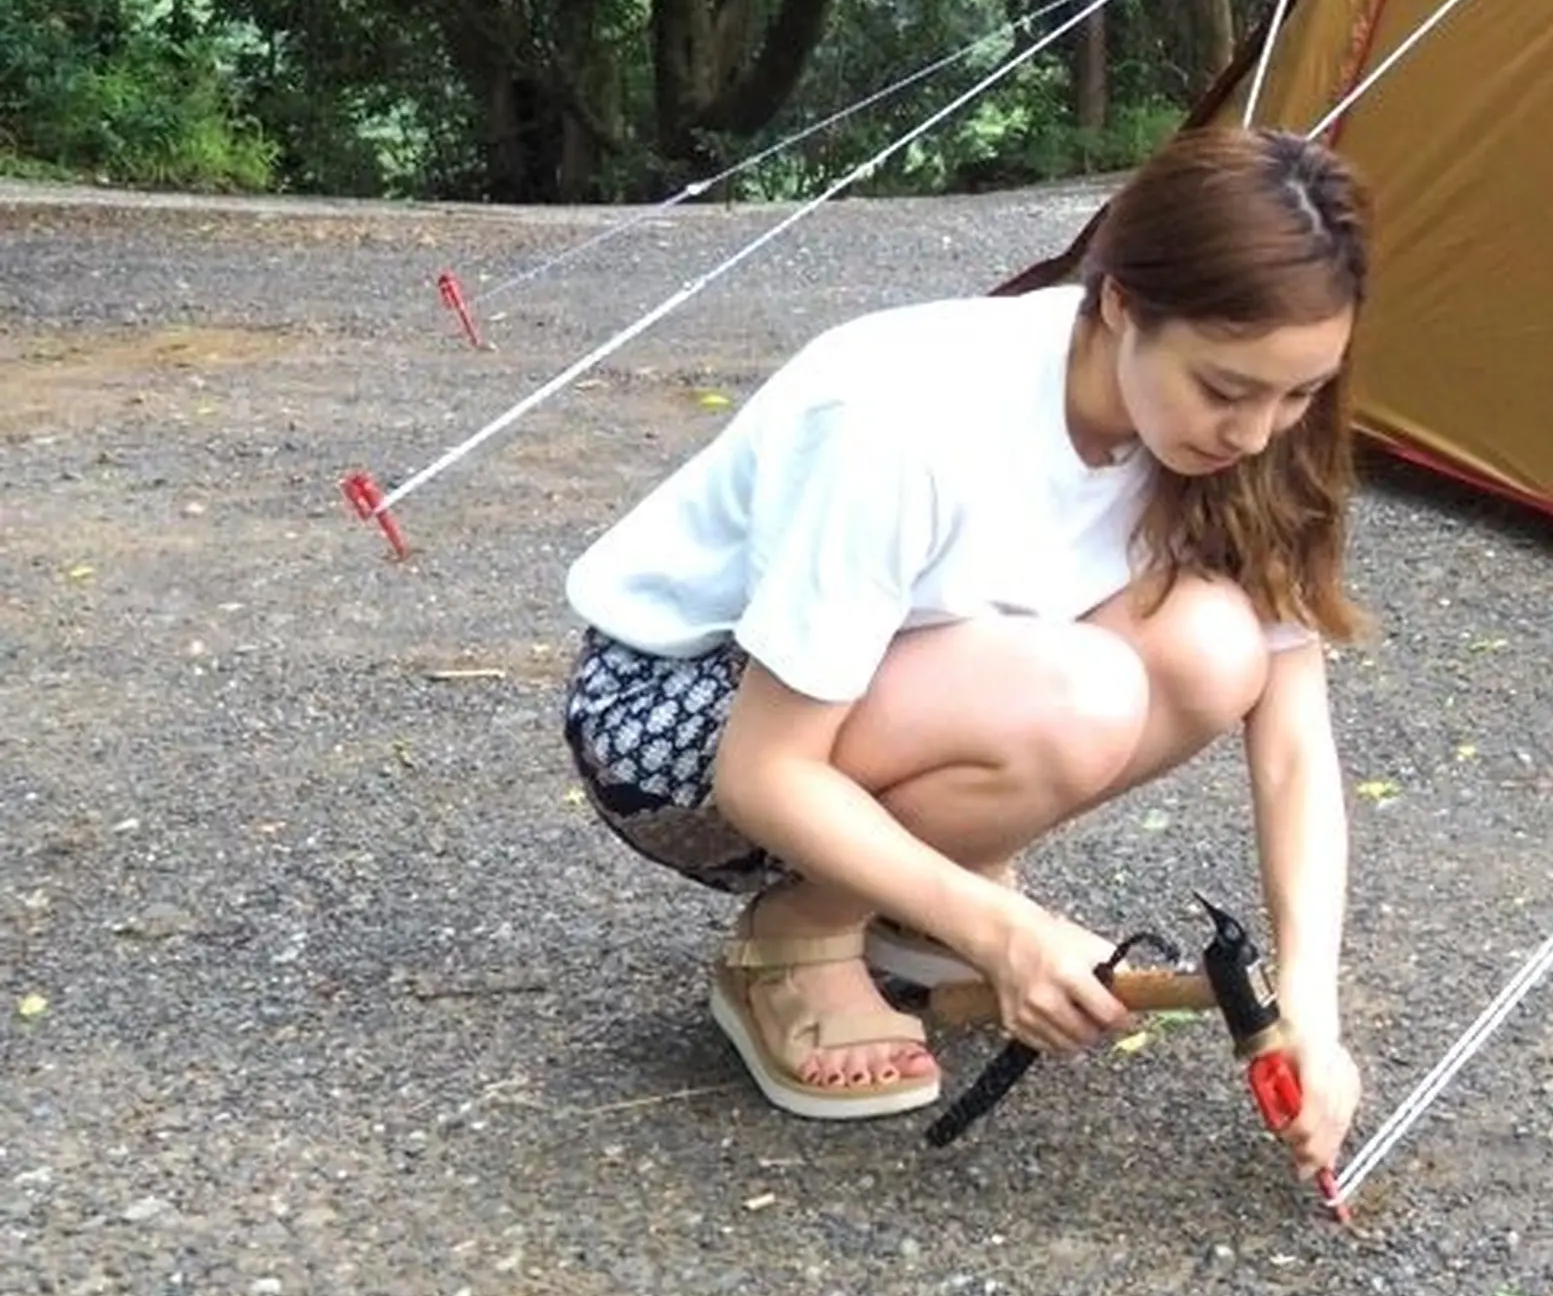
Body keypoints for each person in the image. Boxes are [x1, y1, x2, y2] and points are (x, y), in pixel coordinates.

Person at [558, 124, 1371, 1172]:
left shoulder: (1239, 432)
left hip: (894, 695)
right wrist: (1005, 934)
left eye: (1299, 393)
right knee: (1083, 695)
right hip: (676, 730)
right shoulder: (904, 419)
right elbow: (761, 773)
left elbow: (1294, 744)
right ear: (1121, 304)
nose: (1256, 433)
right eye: (1224, 390)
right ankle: (797, 943)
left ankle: (911, 908)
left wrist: (1311, 1007)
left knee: (1216, 648)